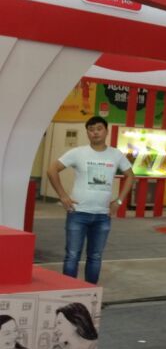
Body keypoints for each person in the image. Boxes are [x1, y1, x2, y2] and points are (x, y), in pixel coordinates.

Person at [47, 116, 134, 284]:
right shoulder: (78, 153)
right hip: (77, 213)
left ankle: (90, 293)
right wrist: (63, 196)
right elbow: (52, 170)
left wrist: (119, 201)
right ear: (87, 133)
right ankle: (68, 291)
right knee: (72, 255)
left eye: (99, 129)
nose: (95, 132)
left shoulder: (116, 154)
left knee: (95, 256)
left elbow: (130, 176)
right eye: (91, 129)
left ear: (106, 131)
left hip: (103, 216)